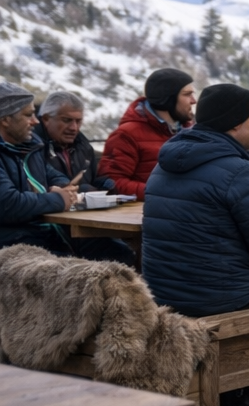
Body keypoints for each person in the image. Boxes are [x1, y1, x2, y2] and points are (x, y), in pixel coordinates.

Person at [142, 84, 249, 316]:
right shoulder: (239, 172)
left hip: (161, 297)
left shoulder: (162, 167)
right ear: (235, 122)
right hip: (225, 299)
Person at [0, 83, 135, 263]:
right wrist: (59, 199)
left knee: (120, 253)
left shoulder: (30, 147)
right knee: (84, 270)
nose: (35, 121)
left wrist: (64, 187)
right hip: (15, 242)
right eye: (28, 115)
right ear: (5, 119)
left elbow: (53, 175)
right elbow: (9, 204)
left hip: (48, 231)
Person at [99, 68, 196, 200]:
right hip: (145, 210)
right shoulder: (126, 134)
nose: (193, 100)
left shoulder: (191, 132)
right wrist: (163, 192)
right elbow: (111, 183)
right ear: (167, 99)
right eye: (187, 94)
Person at [38, 90, 113, 192]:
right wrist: (80, 191)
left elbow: (91, 180)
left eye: (78, 121)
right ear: (46, 119)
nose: (74, 128)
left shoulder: (85, 148)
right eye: (66, 120)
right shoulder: (31, 150)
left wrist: (103, 185)